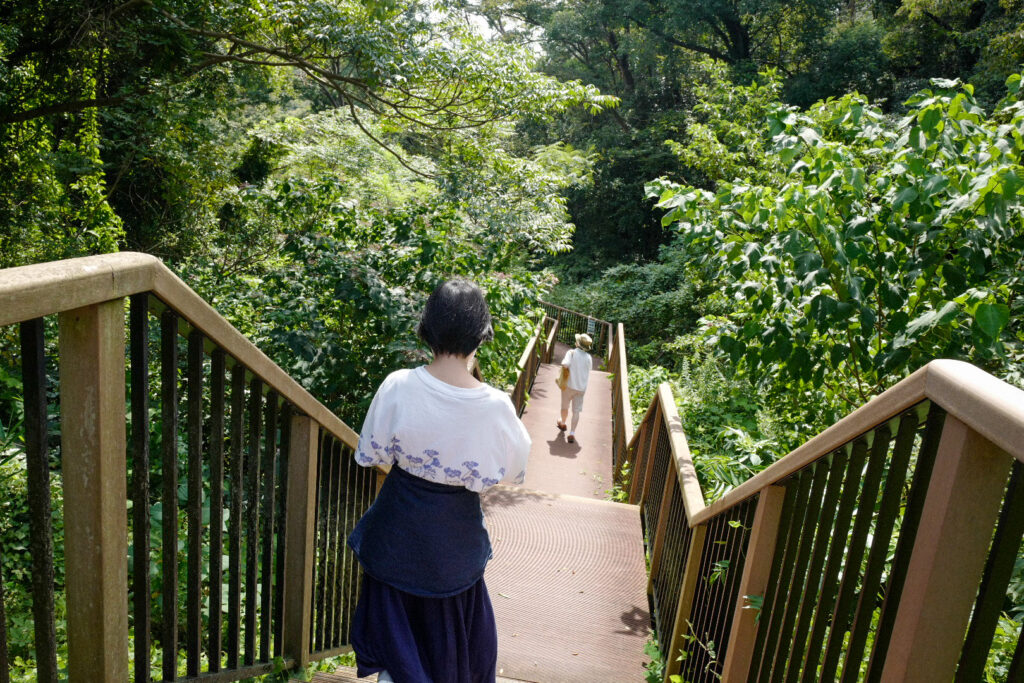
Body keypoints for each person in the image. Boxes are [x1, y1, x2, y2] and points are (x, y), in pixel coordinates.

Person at [347, 278, 532, 683]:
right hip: (454, 543)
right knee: (449, 641)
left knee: (397, 642)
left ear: (426, 329)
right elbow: (514, 472)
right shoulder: (497, 406)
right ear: (482, 335)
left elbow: (371, 454)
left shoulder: (398, 384)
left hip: (395, 534)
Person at [557, 333, 593, 443]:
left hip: (569, 385)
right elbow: (589, 370)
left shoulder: (571, 353)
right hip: (581, 388)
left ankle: (563, 423)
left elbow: (565, 364)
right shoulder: (588, 357)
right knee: (576, 411)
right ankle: (572, 433)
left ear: (577, 343)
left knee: (565, 407)